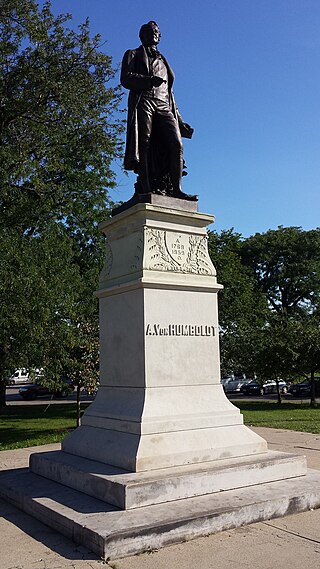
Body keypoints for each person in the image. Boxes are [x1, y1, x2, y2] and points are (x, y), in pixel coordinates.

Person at [121, 21, 196, 200]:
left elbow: (170, 93)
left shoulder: (163, 59)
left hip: (163, 104)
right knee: (144, 144)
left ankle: (176, 189)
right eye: (150, 31)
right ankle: (146, 187)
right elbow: (125, 78)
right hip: (144, 100)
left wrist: (179, 118)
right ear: (142, 35)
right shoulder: (133, 54)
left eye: (157, 31)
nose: (154, 34)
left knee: (176, 144)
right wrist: (148, 81)